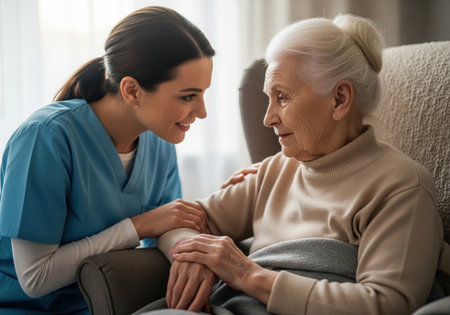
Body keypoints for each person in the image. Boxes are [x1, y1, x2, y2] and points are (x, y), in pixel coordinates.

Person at [139, 14, 449, 315]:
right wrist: (193, 255)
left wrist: (247, 274)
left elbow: (386, 304)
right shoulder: (274, 171)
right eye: (268, 99)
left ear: (340, 99)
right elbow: (181, 221)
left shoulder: (400, 185)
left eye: (282, 97)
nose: (268, 118)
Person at [0, 6, 216, 314]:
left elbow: (167, 223)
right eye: (187, 96)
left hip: (107, 303)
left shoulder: (159, 140)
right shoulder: (45, 137)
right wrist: (139, 226)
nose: (202, 111)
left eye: (203, 94)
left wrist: (192, 256)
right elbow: (35, 277)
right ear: (132, 90)